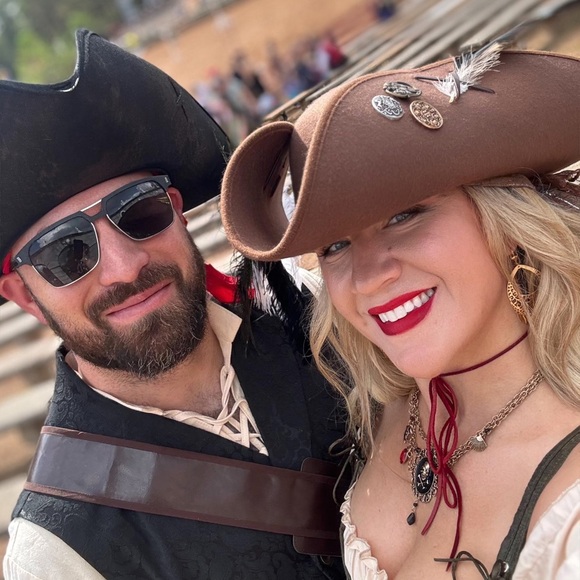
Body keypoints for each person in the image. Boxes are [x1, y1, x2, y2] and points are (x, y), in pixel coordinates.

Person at [220, 44, 580, 579]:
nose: (369, 276)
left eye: (404, 215)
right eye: (335, 246)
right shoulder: (382, 402)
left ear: (507, 222)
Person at [0, 29, 347, 579]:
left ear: (177, 211)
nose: (125, 267)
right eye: (65, 254)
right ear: (25, 296)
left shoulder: (324, 317)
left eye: (139, 212)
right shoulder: (56, 554)